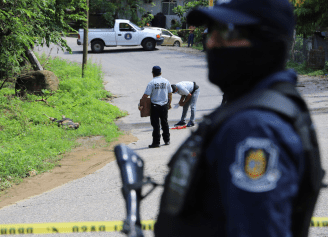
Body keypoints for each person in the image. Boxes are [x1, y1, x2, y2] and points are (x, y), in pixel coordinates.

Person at [155, 0, 325, 236]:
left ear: (268, 43)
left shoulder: (255, 126)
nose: (212, 42)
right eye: (212, 31)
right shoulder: (259, 104)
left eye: (228, 31)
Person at [139, 66, 172, 148]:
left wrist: (141, 104)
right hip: (164, 105)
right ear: (160, 73)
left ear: (153, 73)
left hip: (155, 106)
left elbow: (146, 95)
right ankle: (167, 140)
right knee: (165, 122)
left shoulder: (151, 83)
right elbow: (170, 93)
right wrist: (169, 103)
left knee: (156, 125)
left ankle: (156, 142)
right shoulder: (166, 81)